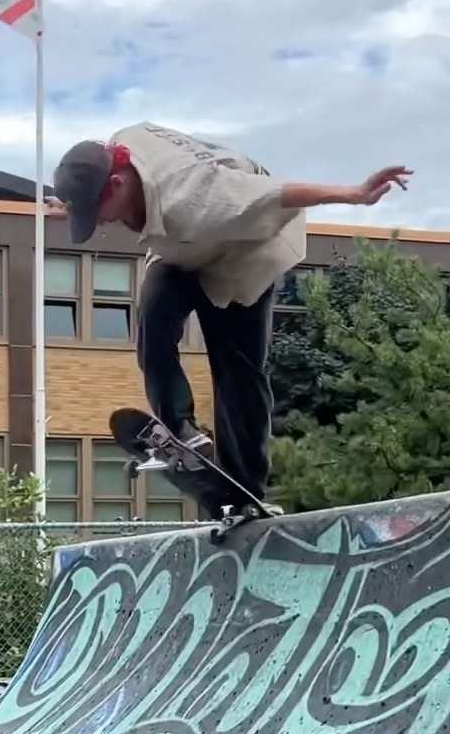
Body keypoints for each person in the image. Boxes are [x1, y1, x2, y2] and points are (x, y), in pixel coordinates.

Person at [47, 122, 412, 514]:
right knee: (153, 318)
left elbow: (277, 195)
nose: (101, 223)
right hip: (186, 249)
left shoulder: (198, 196)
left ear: (118, 185)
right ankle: (180, 429)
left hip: (246, 247)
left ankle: (245, 490)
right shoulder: (121, 148)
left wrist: (355, 193)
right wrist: (76, 205)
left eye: (98, 212)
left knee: (238, 370)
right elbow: (100, 184)